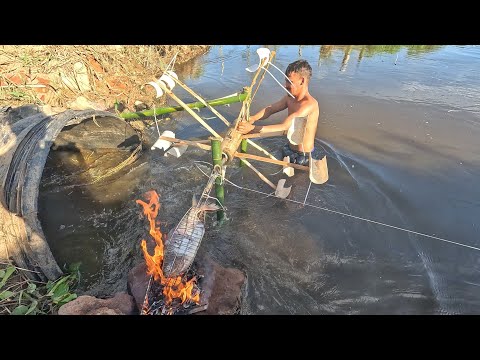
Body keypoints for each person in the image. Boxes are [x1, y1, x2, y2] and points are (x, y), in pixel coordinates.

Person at [238, 59, 319, 166]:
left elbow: (285, 126)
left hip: (303, 155)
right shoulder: (289, 98)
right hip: (289, 148)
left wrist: (252, 129)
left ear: (302, 81)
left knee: (296, 182)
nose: (285, 85)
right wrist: (253, 118)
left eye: (289, 81)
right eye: (285, 80)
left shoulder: (309, 105)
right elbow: (270, 109)